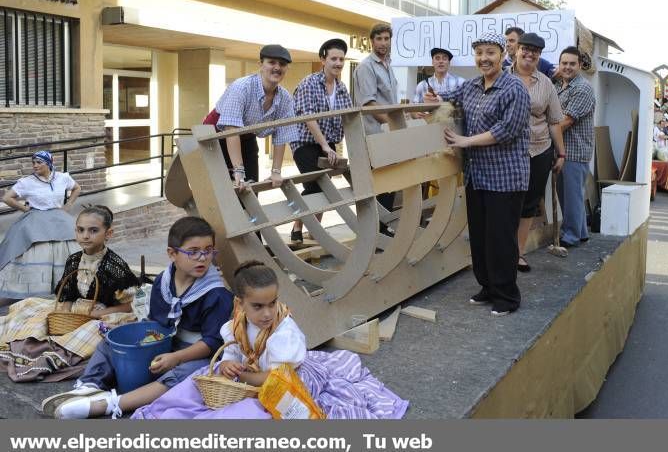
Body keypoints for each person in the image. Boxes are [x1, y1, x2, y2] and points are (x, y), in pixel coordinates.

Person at [132, 261, 408, 419]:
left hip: (285, 380)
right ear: (240, 304)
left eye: (272, 303)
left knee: (255, 414)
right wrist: (229, 364)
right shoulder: (236, 324)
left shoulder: (283, 332)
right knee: (193, 387)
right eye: (258, 306)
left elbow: (278, 375)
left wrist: (242, 378)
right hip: (250, 375)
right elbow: (233, 352)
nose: (267, 313)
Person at [42, 216, 234, 418]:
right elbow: (155, 323)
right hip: (165, 342)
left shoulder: (217, 294)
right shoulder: (163, 281)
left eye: (208, 250)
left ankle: (113, 404)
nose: (203, 258)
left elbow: (211, 343)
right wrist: (144, 344)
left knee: (192, 374)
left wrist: (176, 358)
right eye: (193, 252)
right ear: (172, 254)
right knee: (111, 341)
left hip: (195, 353)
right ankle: (89, 386)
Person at [426, 32, 530, 316]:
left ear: (503, 55)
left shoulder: (515, 89)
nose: (484, 58)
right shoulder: (471, 86)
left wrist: (466, 141)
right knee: (481, 237)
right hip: (478, 176)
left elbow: (507, 130)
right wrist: (433, 98)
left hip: (506, 178)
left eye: (490, 53)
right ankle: (488, 286)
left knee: (501, 239)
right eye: (479, 53)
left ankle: (507, 296)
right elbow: (446, 97)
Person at [0, 206, 139, 382]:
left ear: (108, 233)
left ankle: (53, 353)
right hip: (78, 309)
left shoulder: (115, 267)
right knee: (30, 306)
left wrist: (96, 314)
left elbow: (130, 305)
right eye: (81, 230)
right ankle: (29, 343)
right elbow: (66, 293)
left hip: (106, 312)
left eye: (93, 230)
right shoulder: (74, 260)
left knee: (92, 331)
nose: (85, 236)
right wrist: (64, 312)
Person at [289, 39, 354, 243]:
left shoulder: (342, 88)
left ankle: (304, 227)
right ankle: (305, 228)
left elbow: (349, 119)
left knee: (322, 186)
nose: (338, 63)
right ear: (323, 60)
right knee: (317, 184)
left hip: (329, 144)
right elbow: (309, 117)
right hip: (304, 142)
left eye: (341, 59)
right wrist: (325, 147)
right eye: (333, 58)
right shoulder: (309, 83)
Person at [511, 32, 565, 273]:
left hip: (539, 150)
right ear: (516, 49)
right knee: (507, 202)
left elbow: (554, 121)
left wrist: (561, 154)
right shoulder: (502, 77)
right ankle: (502, 251)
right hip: (508, 151)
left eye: (535, 51)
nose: (529, 53)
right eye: (525, 48)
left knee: (528, 204)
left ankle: (518, 253)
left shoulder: (546, 84)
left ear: (539, 56)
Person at [207, 45, 296, 189]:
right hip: (216, 136)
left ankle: (249, 212)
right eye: (272, 62)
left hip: (245, 135)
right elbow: (231, 130)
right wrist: (239, 171)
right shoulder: (241, 87)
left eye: (282, 64)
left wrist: (276, 171)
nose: (277, 67)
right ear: (261, 64)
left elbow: (281, 134)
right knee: (225, 189)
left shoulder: (285, 97)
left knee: (251, 187)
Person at [0, 151, 81, 300]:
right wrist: (25, 209)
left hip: (59, 217)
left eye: (39, 162)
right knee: (24, 245)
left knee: (75, 240)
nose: (35, 165)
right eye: (33, 162)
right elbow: (7, 198)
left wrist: (68, 204)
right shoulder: (27, 182)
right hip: (36, 217)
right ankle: (35, 291)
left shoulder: (62, 178)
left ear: (49, 163)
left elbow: (77, 188)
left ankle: (66, 287)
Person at [353, 23, 398, 234]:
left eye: (386, 38)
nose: (383, 42)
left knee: (389, 182)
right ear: (372, 41)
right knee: (376, 186)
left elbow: (390, 101)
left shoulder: (388, 65)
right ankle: (372, 232)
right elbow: (369, 104)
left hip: (388, 135)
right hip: (373, 135)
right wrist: (395, 123)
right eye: (379, 38)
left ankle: (382, 228)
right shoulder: (366, 67)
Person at [555, 46, 596, 247]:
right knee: (570, 195)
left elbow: (565, 121)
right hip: (563, 150)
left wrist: (538, 134)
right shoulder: (560, 85)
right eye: (564, 63)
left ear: (579, 65)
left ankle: (569, 237)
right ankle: (580, 233)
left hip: (574, 151)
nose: (568, 67)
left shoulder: (583, 88)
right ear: (559, 64)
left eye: (572, 63)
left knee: (571, 197)